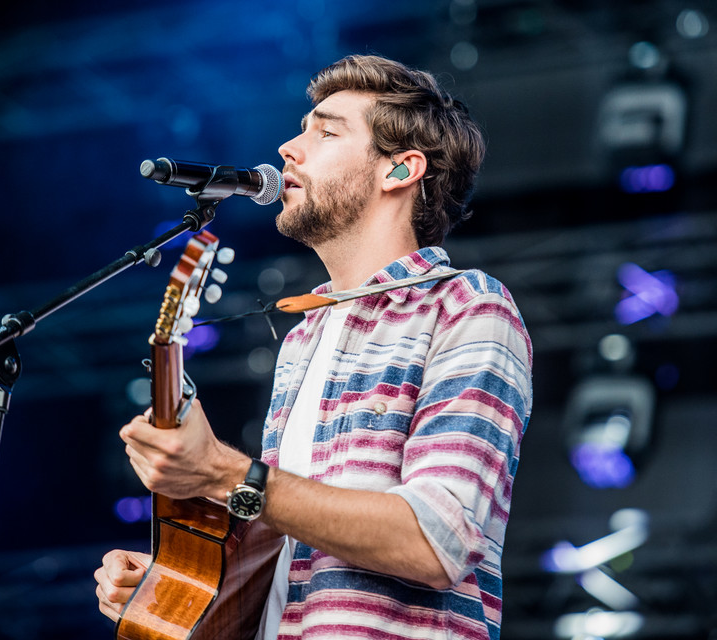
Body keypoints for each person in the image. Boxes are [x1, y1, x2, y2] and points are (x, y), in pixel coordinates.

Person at [95, 54, 533, 640]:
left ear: (400, 171)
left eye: (326, 132)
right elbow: (295, 542)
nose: (287, 149)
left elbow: (436, 540)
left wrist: (224, 471)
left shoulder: (467, 306)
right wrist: (184, 582)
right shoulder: (305, 337)